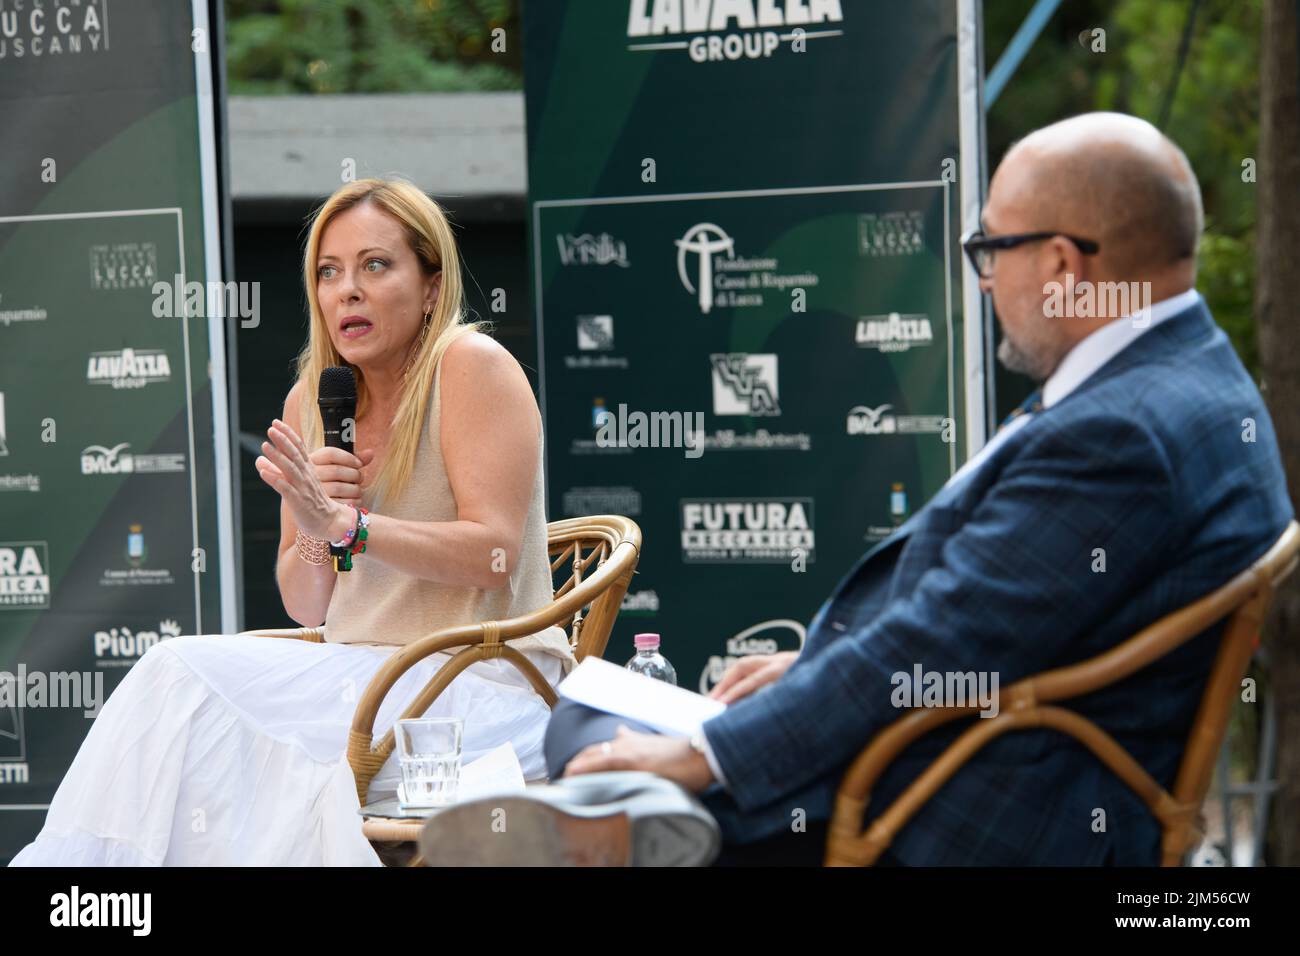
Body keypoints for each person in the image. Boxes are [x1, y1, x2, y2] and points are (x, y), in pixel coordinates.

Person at [418, 112, 1294, 866]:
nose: (983, 281)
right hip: (973, 750)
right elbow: (1007, 627)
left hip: (949, 809)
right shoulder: (1193, 377)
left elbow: (943, 642)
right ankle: (618, 825)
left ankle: (623, 828)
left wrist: (710, 756)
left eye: (991, 249)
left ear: (1063, 263)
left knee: (588, 744)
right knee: (587, 716)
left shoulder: (1125, 432)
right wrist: (813, 670)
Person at [10, 178, 573, 866]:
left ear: (431, 284)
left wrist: (354, 528)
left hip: (480, 686)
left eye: (375, 265)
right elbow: (307, 602)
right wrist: (315, 525)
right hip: (358, 678)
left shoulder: (472, 367)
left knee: (208, 715)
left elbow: (493, 555)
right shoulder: (313, 397)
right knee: (178, 683)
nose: (348, 291)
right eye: (328, 272)